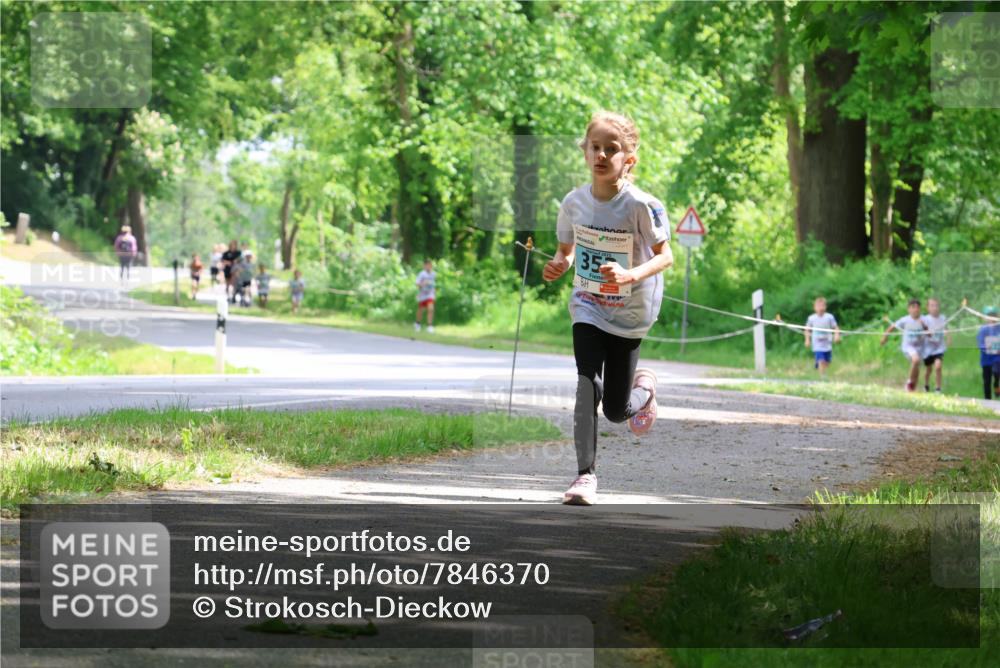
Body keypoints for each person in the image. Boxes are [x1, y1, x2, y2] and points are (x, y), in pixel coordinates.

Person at [542, 110, 673, 506]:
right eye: (594, 148)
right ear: (585, 152)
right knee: (586, 380)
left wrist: (631, 275)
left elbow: (665, 257)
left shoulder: (641, 205)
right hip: (588, 305)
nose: (601, 155)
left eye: (611, 150)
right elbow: (566, 252)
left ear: (628, 159)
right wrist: (558, 264)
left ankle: (643, 393)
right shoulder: (573, 203)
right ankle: (585, 476)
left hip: (631, 312)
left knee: (616, 410)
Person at [880, 299, 931, 392]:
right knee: (916, 361)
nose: (915, 309)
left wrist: (925, 327)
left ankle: (912, 389)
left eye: (917, 307)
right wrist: (884, 337)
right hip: (908, 347)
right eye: (913, 307)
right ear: (909, 309)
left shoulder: (925, 319)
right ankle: (909, 383)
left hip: (920, 348)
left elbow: (930, 335)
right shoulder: (905, 320)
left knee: (916, 367)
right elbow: (892, 327)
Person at [804, 297, 840, 377]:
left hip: (827, 343)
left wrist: (836, 336)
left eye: (822, 306)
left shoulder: (829, 317)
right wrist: (807, 340)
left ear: (825, 307)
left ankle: (819, 365)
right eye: (818, 306)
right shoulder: (811, 318)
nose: (820, 308)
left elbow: (836, 327)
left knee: (827, 362)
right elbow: (807, 330)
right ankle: (823, 376)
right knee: (821, 360)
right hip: (817, 344)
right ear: (814, 308)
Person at [921, 297, 950, 393]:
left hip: (939, 348)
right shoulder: (925, 319)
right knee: (929, 369)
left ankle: (938, 388)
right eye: (932, 306)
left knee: (938, 367)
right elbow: (922, 331)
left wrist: (948, 337)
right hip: (928, 349)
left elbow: (946, 329)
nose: (935, 308)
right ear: (928, 307)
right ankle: (926, 384)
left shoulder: (943, 318)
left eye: (936, 305)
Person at [976, 306, 1000, 400]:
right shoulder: (983, 330)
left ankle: (996, 386)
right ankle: (987, 400)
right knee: (987, 380)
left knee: (997, 375)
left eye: (993, 315)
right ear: (985, 318)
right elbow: (981, 345)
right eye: (989, 315)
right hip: (986, 360)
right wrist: (993, 349)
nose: (991, 318)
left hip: (998, 359)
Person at [414, 259, 436, 333]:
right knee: (421, 310)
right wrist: (423, 283)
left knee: (431, 308)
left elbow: (434, 283)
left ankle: (429, 325)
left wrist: (434, 289)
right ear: (424, 266)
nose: (428, 267)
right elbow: (417, 284)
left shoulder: (433, 274)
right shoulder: (422, 274)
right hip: (423, 294)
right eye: (427, 265)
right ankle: (417, 323)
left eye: (430, 265)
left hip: (430, 294)